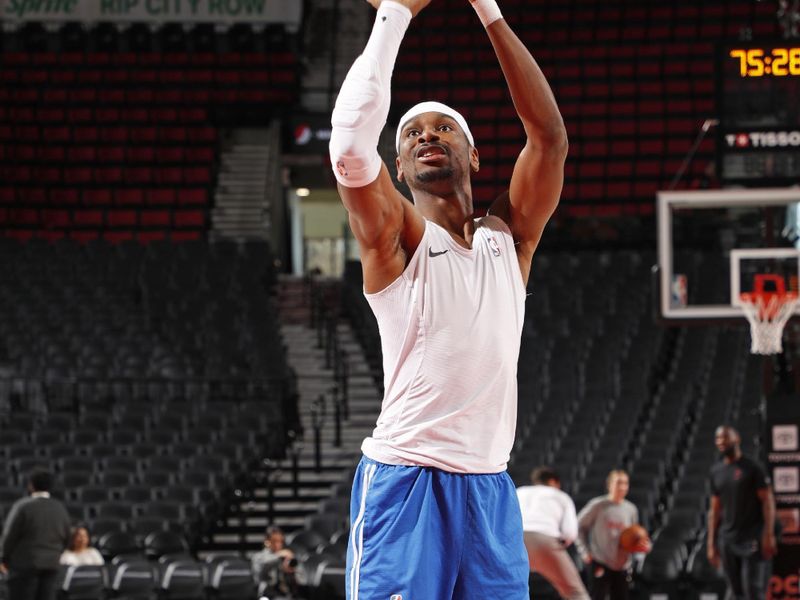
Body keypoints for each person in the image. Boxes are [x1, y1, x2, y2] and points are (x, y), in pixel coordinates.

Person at [328, 0, 567, 596]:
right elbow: (351, 149)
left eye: (443, 129)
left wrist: (486, 7)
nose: (427, 135)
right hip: (406, 483)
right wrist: (396, 14)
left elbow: (550, 138)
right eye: (412, 134)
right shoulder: (397, 238)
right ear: (401, 169)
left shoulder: (508, 239)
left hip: (489, 490)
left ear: (475, 155)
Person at [707, 425, 777, 600]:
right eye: (718, 438)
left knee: (752, 590)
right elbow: (714, 510)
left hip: (751, 538)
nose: (721, 441)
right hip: (727, 540)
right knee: (735, 591)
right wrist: (711, 544)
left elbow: (767, 501)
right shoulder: (716, 471)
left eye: (725, 437)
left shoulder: (752, 467)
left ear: (736, 439)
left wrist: (768, 534)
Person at [575, 470, 650, 600]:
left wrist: (642, 548)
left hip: (622, 563)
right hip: (600, 560)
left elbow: (636, 536)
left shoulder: (631, 509)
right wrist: (584, 552)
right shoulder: (597, 505)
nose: (622, 486)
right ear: (609, 485)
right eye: (618, 482)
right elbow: (577, 527)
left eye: (625, 483)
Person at [516, 467, 589, 600]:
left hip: (514, 543)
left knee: (502, 589)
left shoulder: (519, 491)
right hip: (544, 540)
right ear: (553, 482)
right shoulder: (560, 496)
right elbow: (570, 533)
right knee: (575, 593)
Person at [0, 468, 72, 600]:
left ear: (31, 485)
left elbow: (9, 535)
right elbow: (67, 537)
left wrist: (4, 557)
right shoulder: (60, 508)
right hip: (51, 565)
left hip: (24, 566)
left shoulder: (22, 506)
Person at [251, 526, 297, 598]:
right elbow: (260, 575)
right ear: (267, 541)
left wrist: (293, 571)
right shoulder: (258, 557)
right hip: (267, 594)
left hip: (286, 594)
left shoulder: (287, 557)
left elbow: (302, 579)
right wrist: (278, 556)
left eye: (281, 541)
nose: (278, 544)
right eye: (274, 541)